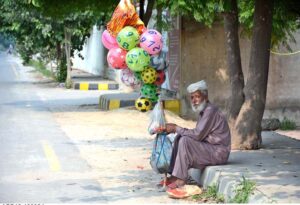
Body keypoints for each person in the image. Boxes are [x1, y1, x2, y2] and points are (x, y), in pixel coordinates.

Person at [162, 80, 231, 191]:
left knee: (185, 140)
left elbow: (198, 135)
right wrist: (177, 131)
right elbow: (198, 134)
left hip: (219, 152)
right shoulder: (204, 111)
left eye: (197, 97)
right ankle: (174, 175)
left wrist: (176, 128)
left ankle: (180, 179)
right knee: (180, 137)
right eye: (192, 98)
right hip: (210, 148)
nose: (194, 101)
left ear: (205, 96)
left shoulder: (210, 111)